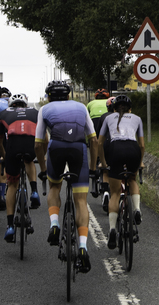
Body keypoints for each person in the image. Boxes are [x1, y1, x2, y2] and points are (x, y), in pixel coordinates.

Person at [35, 80, 98, 273]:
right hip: (78, 148)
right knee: (80, 200)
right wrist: (93, 168)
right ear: (69, 95)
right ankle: (82, 247)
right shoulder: (81, 107)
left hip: (56, 148)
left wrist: (44, 169)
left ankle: (54, 224)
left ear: (49, 97)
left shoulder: (44, 110)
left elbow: (38, 143)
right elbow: (93, 140)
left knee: (54, 187)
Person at [97, 95, 145, 250]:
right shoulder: (137, 118)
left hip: (115, 149)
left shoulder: (108, 118)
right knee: (132, 181)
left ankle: (112, 229)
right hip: (133, 149)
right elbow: (142, 145)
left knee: (115, 193)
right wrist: (140, 162)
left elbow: (99, 142)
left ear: (114, 108)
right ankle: (137, 210)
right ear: (130, 109)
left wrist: (103, 162)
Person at [0, 93, 41, 243]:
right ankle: (34, 191)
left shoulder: (3, 114)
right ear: (25, 104)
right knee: (29, 161)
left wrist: (5, 156)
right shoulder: (35, 112)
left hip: (13, 147)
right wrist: (42, 156)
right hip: (30, 145)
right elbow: (44, 138)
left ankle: (9, 226)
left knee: (12, 185)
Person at [94, 97, 115, 212]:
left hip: (106, 144)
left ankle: (106, 191)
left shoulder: (104, 117)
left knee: (105, 169)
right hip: (120, 145)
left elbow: (97, 135)